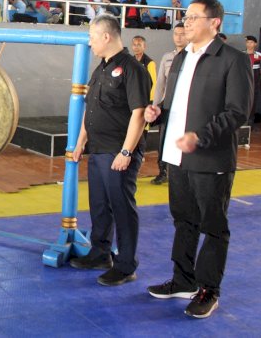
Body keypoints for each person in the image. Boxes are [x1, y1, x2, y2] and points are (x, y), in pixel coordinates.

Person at [145, 0, 252, 319]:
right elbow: (177, 105)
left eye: (193, 17)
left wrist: (200, 136)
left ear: (214, 22)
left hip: (210, 159)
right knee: (184, 220)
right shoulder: (180, 58)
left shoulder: (233, 60)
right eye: (185, 17)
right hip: (176, 157)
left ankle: (209, 289)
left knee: (213, 226)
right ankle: (183, 279)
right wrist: (158, 114)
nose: (186, 22)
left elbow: (237, 112)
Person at [70, 14, 150, 286]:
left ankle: (126, 265)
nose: (90, 42)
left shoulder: (132, 69)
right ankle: (101, 252)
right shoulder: (100, 69)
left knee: (122, 208)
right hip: (98, 149)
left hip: (118, 152)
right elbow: (90, 109)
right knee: (100, 206)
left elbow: (138, 113)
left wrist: (126, 153)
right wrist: (81, 141)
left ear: (106, 36)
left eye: (92, 37)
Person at [150, 22, 187, 185]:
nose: (179, 37)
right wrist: (156, 105)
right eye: (176, 34)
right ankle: (162, 171)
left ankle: (180, 173)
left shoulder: (193, 57)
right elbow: (160, 85)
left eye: (182, 33)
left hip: (185, 107)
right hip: (167, 106)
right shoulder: (167, 57)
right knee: (163, 139)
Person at [245, 35, 261, 126]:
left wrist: (258, 72)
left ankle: (250, 121)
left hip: (255, 80)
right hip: (243, 80)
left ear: (255, 44)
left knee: (253, 101)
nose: (249, 44)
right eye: (247, 42)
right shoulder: (241, 54)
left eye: (251, 42)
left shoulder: (259, 55)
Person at [131, 35, 157, 102]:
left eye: (139, 45)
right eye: (134, 45)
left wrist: (151, 100)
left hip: (145, 99)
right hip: (133, 97)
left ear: (144, 47)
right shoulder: (130, 61)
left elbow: (154, 83)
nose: (136, 47)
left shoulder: (150, 63)